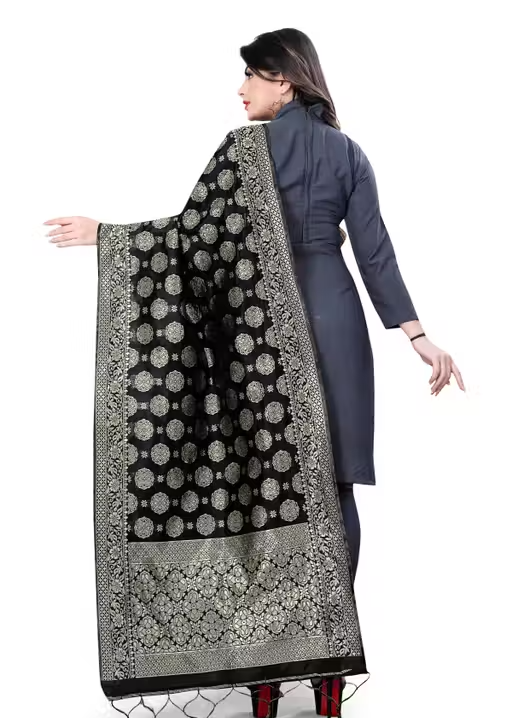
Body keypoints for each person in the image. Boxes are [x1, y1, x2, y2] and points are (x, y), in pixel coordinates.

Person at [45, 27, 464, 718]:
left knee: (268, 486)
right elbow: (375, 253)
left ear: (284, 81)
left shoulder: (245, 151)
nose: (241, 90)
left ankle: (268, 674)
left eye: (251, 75)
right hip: (337, 319)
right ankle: (329, 672)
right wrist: (416, 334)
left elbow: (192, 238)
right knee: (335, 490)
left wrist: (111, 237)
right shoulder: (348, 152)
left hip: (259, 325)